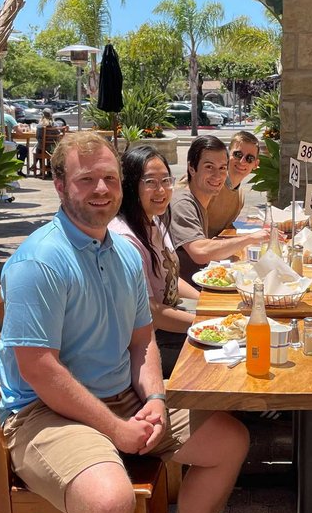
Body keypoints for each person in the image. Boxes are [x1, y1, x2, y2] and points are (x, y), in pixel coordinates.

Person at [0, 133, 254, 513]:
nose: (101, 189)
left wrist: (156, 400)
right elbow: (40, 371)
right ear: (59, 184)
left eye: (110, 178)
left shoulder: (119, 251)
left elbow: (143, 343)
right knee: (110, 501)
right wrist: (116, 430)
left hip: (119, 398)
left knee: (229, 440)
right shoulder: (40, 260)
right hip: (44, 414)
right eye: (86, 179)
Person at [110, 144, 200, 376]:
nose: (161, 190)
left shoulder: (154, 220)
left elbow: (169, 276)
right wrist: (206, 323)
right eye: (150, 182)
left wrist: (206, 304)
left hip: (170, 325)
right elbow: (153, 313)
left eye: (166, 181)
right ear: (130, 186)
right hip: (148, 346)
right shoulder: (126, 240)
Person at [169, 136, 269, 282]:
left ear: (255, 164)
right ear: (192, 168)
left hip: (205, 275)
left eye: (222, 168)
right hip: (188, 289)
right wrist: (251, 238)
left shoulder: (235, 194)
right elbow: (200, 251)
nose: (217, 175)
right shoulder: (183, 202)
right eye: (209, 167)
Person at [205, 131, 262, 236]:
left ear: (255, 164)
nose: (242, 161)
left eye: (249, 158)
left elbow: (226, 231)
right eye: (238, 154)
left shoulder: (240, 195)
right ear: (227, 155)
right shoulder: (207, 183)